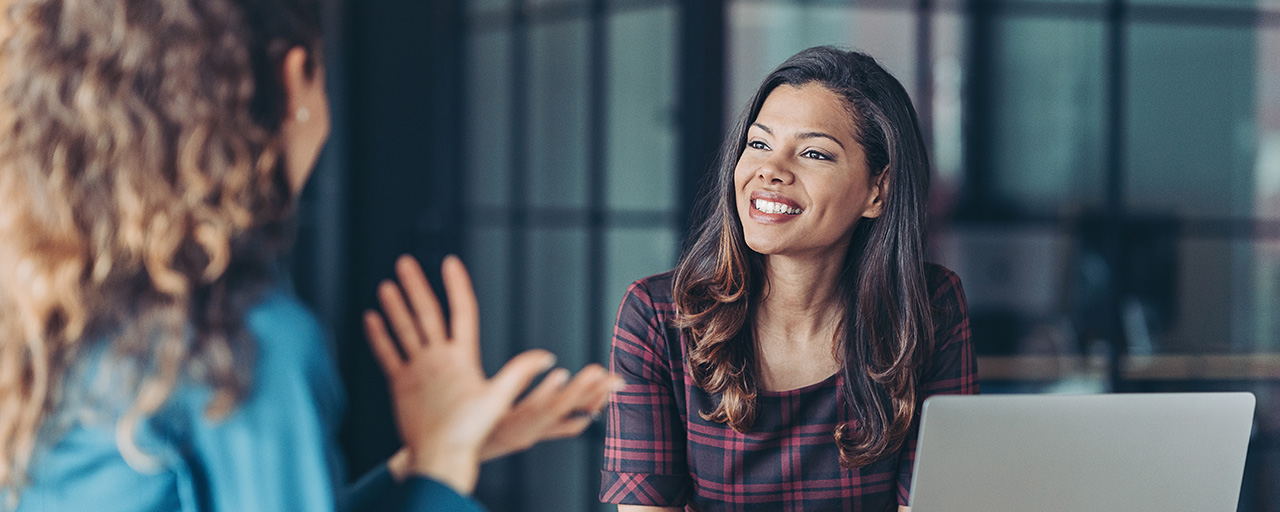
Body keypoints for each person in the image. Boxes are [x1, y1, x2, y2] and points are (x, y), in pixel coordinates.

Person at [0, 0, 617, 510]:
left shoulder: (46, 305)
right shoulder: (237, 343)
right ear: (295, 80)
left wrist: (431, 459)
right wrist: (439, 476)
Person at [600, 46, 978, 512]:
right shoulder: (658, 316)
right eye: (759, 144)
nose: (770, 170)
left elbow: (935, 503)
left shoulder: (928, 308)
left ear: (877, 191)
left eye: (813, 153)